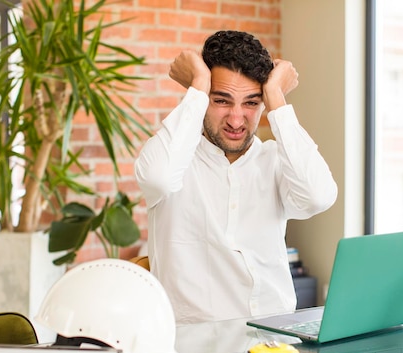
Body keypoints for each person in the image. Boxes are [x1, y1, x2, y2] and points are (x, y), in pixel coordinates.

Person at [135, 30, 337, 324]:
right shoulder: (175, 161)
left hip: (275, 342)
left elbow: (319, 196)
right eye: (222, 100)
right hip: (195, 351)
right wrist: (198, 85)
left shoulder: (274, 160)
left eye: (252, 103)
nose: (236, 119)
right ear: (203, 99)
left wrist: (277, 99)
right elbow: (157, 179)